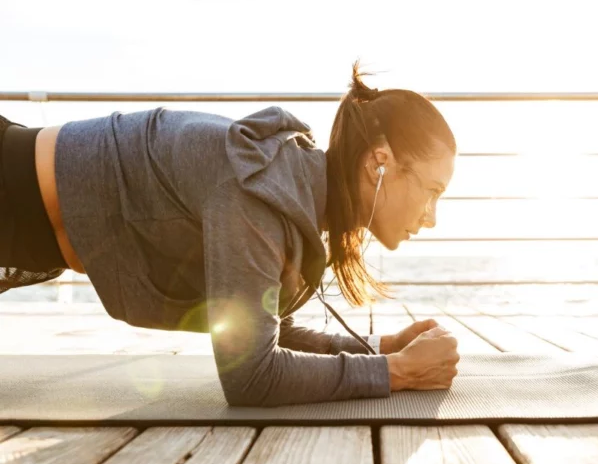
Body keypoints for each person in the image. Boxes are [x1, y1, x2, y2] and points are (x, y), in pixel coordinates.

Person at [0, 61, 460, 406]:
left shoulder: (288, 191)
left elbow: (261, 334)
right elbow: (252, 377)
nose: (432, 216)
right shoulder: (261, 191)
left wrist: (381, 349)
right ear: (379, 162)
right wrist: (396, 372)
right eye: (431, 191)